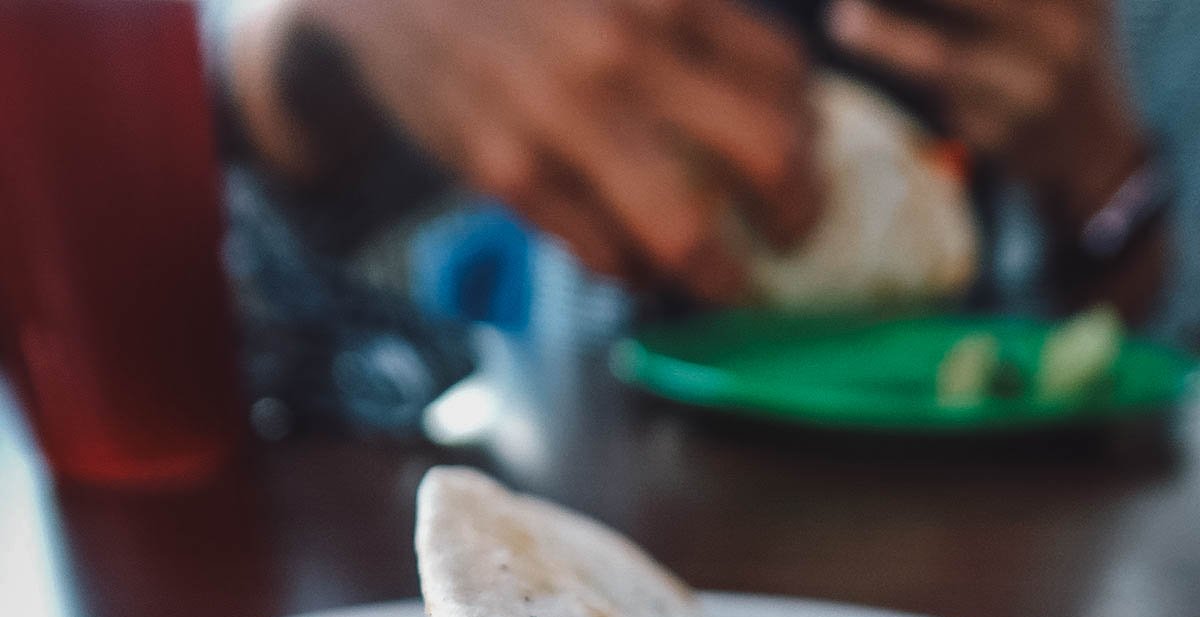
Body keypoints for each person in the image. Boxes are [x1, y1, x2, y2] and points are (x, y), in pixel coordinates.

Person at [219, 0, 1185, 334]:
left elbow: (1166, 335)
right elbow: (278, 214)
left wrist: (1106, 178)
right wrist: (318, 33)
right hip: (600, 543)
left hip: (1032, 556)